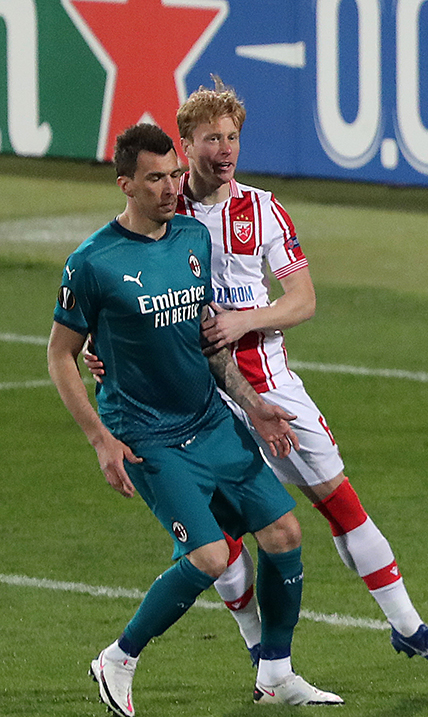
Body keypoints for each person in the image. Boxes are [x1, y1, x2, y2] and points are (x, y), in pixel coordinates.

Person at [86, 79, 428, 676]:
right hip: (195, 396)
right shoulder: (161, 204)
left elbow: (303, 300)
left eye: (232, 137)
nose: (225, 149)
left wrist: (244, 320)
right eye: (211, 138)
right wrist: (97, 346)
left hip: (268, 383)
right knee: (224, 540)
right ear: (185, 145)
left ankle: (407, 626)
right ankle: (261, 655)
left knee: (338, 501)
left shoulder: (262, 209)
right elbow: (116, 283)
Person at [48, 124, 343, 715]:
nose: (170, 188)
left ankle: (276, 675)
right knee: (211, 557)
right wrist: (100, 440)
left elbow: (207, 339)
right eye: (155, 178)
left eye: (175, 175)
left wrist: (254, 405)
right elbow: (60, 355)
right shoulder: (92, 263)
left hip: (209, 419)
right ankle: (118, 659)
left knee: (284, 534)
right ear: (125, 184)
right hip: (146, 435)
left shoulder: (191, 237)